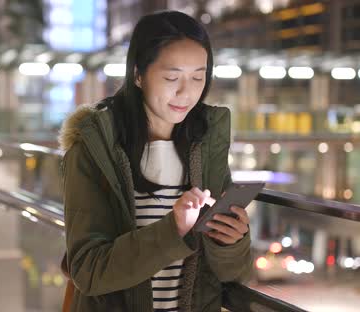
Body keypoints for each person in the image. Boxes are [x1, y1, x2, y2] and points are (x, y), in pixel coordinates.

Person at [59, 11, 252, 312]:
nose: (186, 93)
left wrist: (230, 243)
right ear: (138, 74)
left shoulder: (206, 145)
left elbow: (230, 274)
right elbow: (89, 271)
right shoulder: (95, 149)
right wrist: (172, 229)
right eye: (172, 77)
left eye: (198, 77)